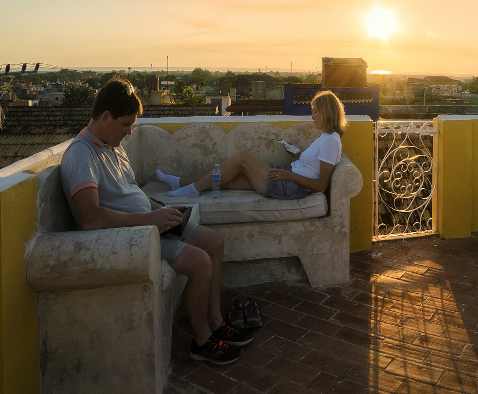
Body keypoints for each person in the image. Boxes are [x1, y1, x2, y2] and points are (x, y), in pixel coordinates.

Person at [60, 78, 253, 366]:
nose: (129, 132)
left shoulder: (112, 145)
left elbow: (131, 192)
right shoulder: (81, 155)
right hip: (134, 235)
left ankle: (214, 321)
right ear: (105, 117)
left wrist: (160, 209)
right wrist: (152, 219)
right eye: (126, 125)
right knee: (201, 263)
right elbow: (91, 218)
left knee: (215, 242)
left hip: (151, 220)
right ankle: (202, 341)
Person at [157, 90, 347, 200]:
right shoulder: (326, 136)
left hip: (290, 186)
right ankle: (179, 182)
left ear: (327, 113)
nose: (312, 116)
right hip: (288, 176)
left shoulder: (331, 141)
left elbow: (321, 185)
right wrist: (296, 154)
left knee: (243, 157)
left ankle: (192, 190)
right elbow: (312, 165)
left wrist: (287, 174)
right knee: (229, 178)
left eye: (315, 112)